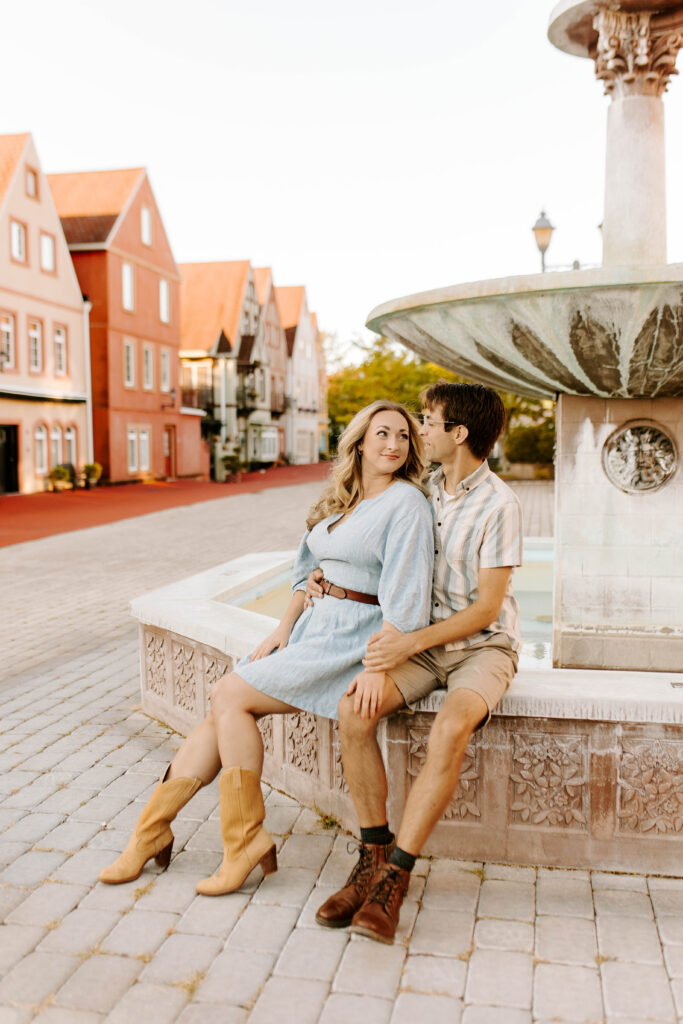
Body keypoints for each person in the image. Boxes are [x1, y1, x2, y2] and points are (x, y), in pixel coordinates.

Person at [98, 401, 434, 896]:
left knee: (229, 696)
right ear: (360, 441)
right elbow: (303, 570)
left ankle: (235, 842)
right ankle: (152, 835)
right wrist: (284, 626)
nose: (393, 445)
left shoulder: (406, 503)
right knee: (222, 708)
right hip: (311, 631)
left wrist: (380, 665)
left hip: (351, 640)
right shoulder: (343, 500)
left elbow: (406, 599)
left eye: (403, 437)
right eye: (382, 434)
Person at [311, 381, 523, 943]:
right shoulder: (422, 490)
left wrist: (406, 643)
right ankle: (371, 858)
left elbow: (485, 609)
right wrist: (322, 578)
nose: (417, 431)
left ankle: (396, 879)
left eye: (427, 422)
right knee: (354, 710)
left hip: (481, 647)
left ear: (459, 434)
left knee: (452, 727)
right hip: (422, 645)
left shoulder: (501, 504)